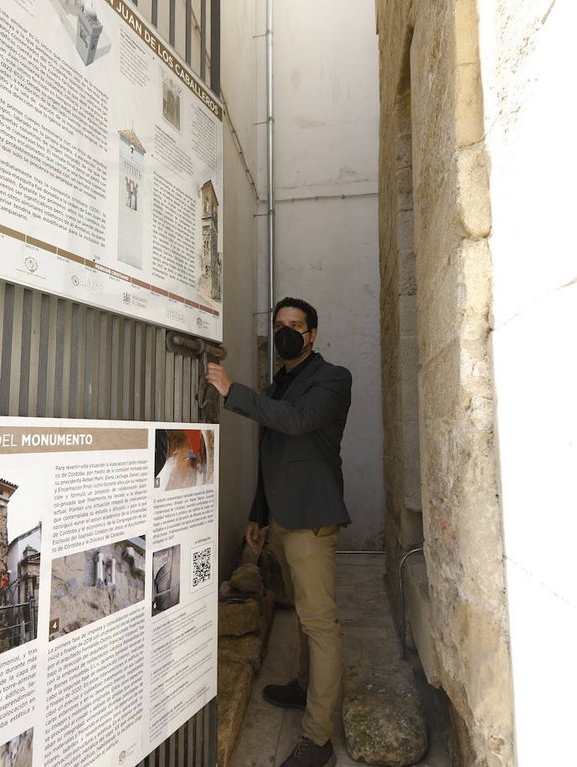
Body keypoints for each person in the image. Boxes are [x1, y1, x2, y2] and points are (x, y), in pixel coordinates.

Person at [205, 297, 351, 767]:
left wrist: (233, 391)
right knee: (306, 616)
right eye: (280, 324)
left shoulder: (333, 379)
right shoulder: (281, 384)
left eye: (296, 325)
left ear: (312, 334)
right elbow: (273, 454)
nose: (287, 331)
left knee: (319, 623)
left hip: (311, 518)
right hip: (283, 518)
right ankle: (304, 685)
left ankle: (318, 738)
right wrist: (258, 514)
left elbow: (296, 422)